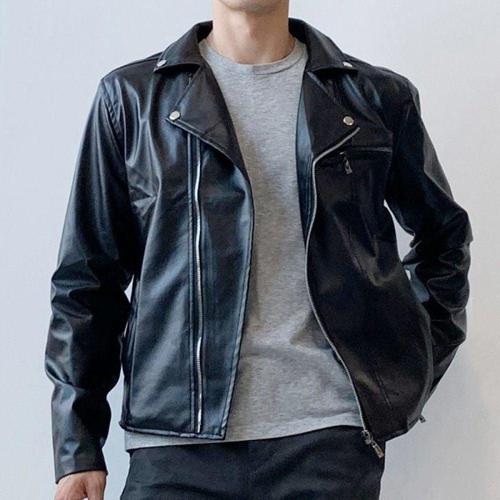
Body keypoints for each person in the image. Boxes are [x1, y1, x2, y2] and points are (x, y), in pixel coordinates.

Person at [45, 1, 473, 499]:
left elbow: (444, 238)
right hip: (175, 445)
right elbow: (87, 279)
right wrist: (77, 444)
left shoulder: (375, 98)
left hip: (326, 441)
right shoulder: (133, 99)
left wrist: (405, 366)